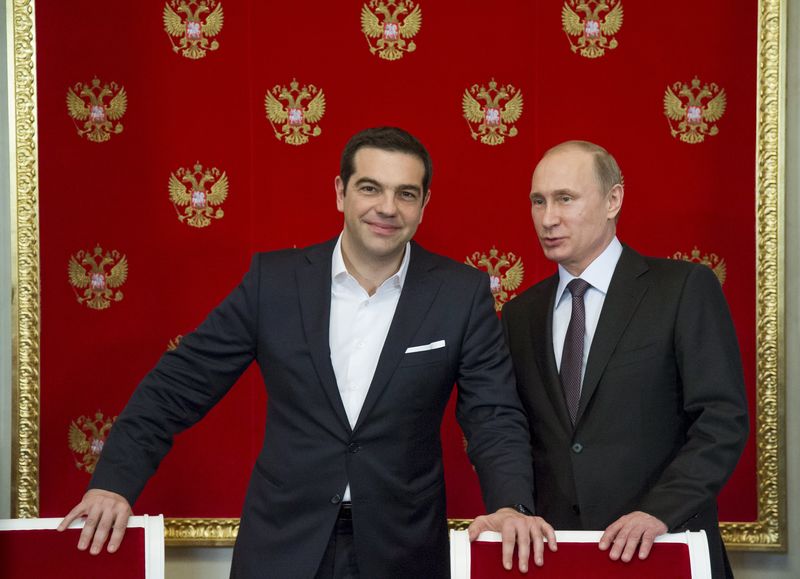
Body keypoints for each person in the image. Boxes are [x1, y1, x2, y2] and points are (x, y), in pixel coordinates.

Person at [59, 127, 555, 578]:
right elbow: (177, 385)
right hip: (282, 546)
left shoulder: (460, 293)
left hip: (404, 551)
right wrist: (114, 484)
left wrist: (512, 504)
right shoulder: (272, 283)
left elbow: (493, 416)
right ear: (340, 192)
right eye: (370, 187)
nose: (387, 207)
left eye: (406, 194)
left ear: (424, 204)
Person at [502, 140, 749, 578]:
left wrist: (659, 512)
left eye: (565, 199)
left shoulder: (682, 288)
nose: (547, 218)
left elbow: (721, 419)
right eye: (538, 201)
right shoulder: (521, 313)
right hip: (561, 558)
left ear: (613, 199)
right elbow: (515, 430)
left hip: (665, 545)